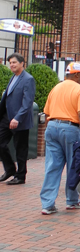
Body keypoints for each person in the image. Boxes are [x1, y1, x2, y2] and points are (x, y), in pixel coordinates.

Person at [40, 61, 80, 214]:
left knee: (52, 167)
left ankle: (47, 204)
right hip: (70, 129)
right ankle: (72, 201)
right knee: (73, 166)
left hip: (52, 127)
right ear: (76, 74)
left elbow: (47, 112)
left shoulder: (56, 88)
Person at [0, 53, 36, 186]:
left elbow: (27, 102)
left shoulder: (28, 79)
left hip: (19, 120)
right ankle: (10, 169)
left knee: (20, 148)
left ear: (22, 63)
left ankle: (20, 176)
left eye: (14, 62)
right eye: (10, 63)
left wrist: (17, 118)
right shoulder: (13, 77)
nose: (12, 65)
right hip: (6, 118)